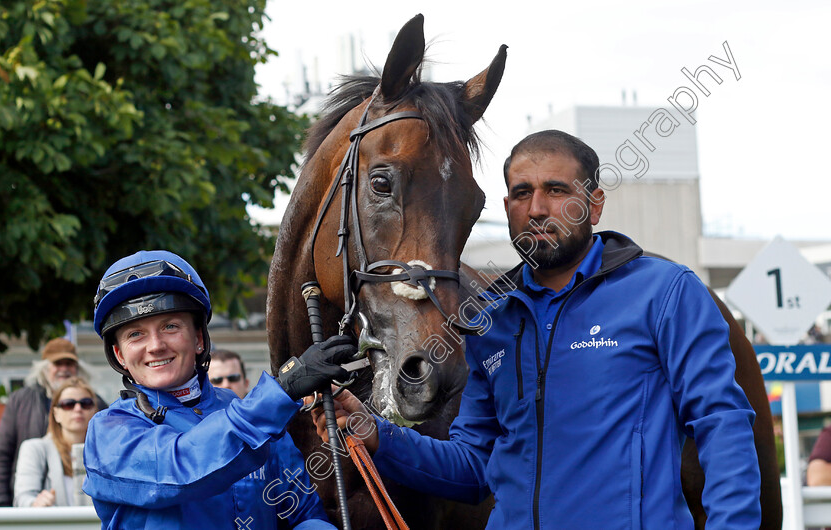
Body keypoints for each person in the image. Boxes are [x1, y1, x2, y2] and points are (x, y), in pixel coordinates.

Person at [311, 130, 761, 529]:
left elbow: (722, 423)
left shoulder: (665, 292)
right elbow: (472, 467)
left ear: (594, 203)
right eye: (522, 193)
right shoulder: (490, 320)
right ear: (507, 208)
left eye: (557, 190)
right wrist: (376, 435)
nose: (538, 208)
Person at [83, 250, 357, 528]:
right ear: (119, 355)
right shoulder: (108, 433)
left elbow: (301, 514)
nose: (155, 345)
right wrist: (282, 390)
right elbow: (180, 470)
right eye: (136, 334)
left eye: (170, 326)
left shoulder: (251, 411)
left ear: (199, 339)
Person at [0, 338, 106, 506]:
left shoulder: (96, 401)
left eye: (69, 363)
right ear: (45, 368)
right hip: (32, 497)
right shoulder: (21, 400)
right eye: (58, 363)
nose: (64, 369)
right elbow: (2, 455)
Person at [13, 377, 98, 507]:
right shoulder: (34, 448)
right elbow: (22, 498)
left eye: (86, 403)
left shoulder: (105, 452)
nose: (78, 409)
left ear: (94, 411)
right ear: (56, 413)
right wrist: (35, 503)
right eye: (68, 404)